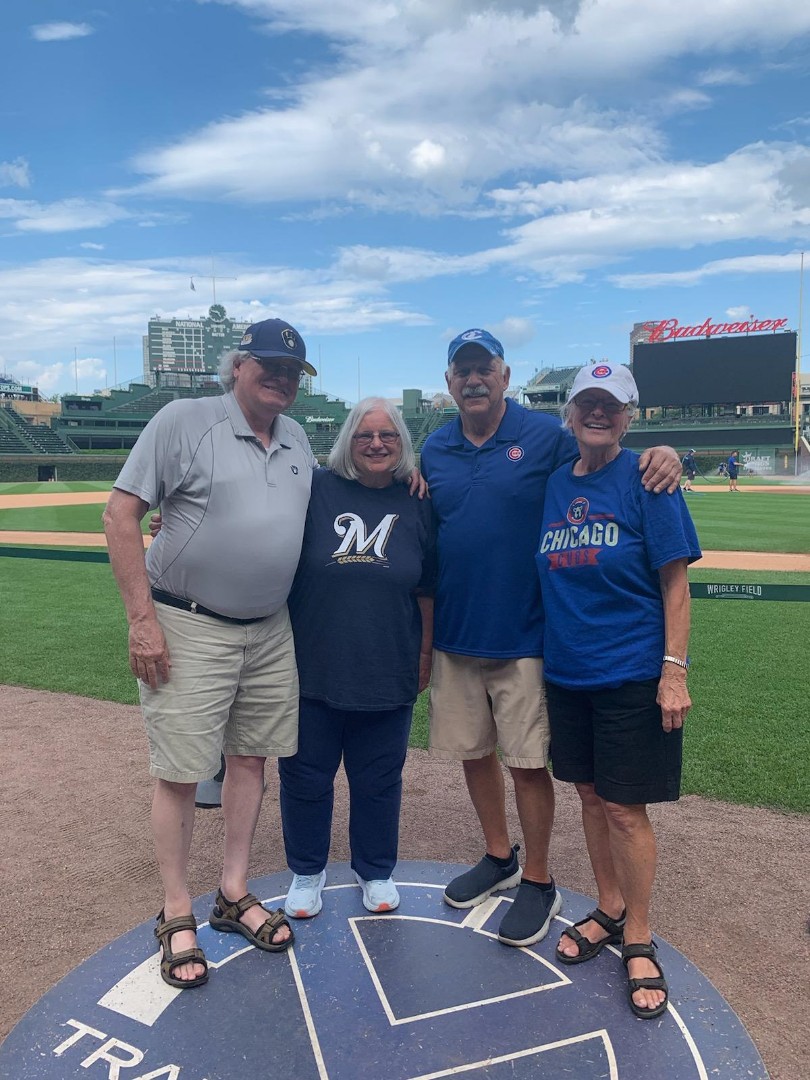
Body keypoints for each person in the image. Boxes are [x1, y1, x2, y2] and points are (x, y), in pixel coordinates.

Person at [420, 333, 682, 948]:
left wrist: (662, 451)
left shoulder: (545, 436)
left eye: (484, 367)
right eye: (463, 370)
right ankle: (498, 856)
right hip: (459, 632)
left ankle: (538, 878)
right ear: (451, 380)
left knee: (529, 763)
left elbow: (608, 449)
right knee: (474, 753)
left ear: (505, 375)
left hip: (529, 636)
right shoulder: (434, 448)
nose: (474, 378)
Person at [103, 318, 317, 988]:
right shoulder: (183, 419)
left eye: (292, 371)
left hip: (268, 626)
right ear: (237, 367)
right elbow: (119, 514)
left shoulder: (298, 436)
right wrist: (142, 620)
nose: (280, 378)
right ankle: (176, 910)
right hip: (188, 622)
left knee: (250, 759)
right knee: (181, 771)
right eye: (269, 366)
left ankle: (232, 891)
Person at [536, 363, 700, 1019]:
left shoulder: (648, 480)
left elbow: (676, 586)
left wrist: (674, 670)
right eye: (587, 404)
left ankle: (638, 933)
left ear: (628, 416)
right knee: (589, 795)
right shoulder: (554, 484)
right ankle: (607, 904)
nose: (597, 414)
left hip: (631, 671)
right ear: (571, 414)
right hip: (567, 673)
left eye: (611, 405)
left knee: (627, 809)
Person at [279, 398, 435, 918]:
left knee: (379, 777)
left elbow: (428, 587)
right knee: (305, 775)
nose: (376, 444)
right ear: (348, 440)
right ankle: (306, 870)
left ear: (401, 443)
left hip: (387, 661)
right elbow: (255, 520)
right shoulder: (317, 489)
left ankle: (375, 870)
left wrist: (425, 652)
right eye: (365, 435)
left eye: (387, 435)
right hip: (313, 661)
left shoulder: (417, 499)